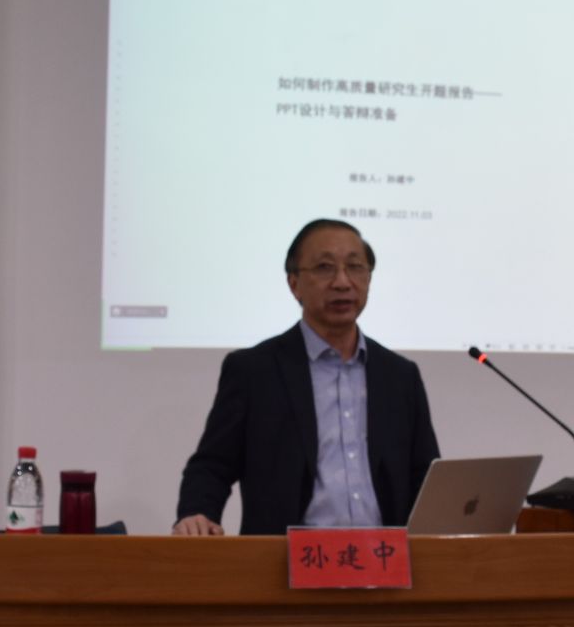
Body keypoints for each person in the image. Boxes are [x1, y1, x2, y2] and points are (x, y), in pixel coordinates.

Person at [174, 219, 440, 536]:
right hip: (287, 558)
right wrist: (197, 513)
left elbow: (426, 476)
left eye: (355, 267)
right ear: (294, 284)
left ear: (369, 278)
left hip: (383, 558)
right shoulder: (254, 371)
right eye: (325, 267)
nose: (342, 282)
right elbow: (213, 465)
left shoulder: (400, 375)